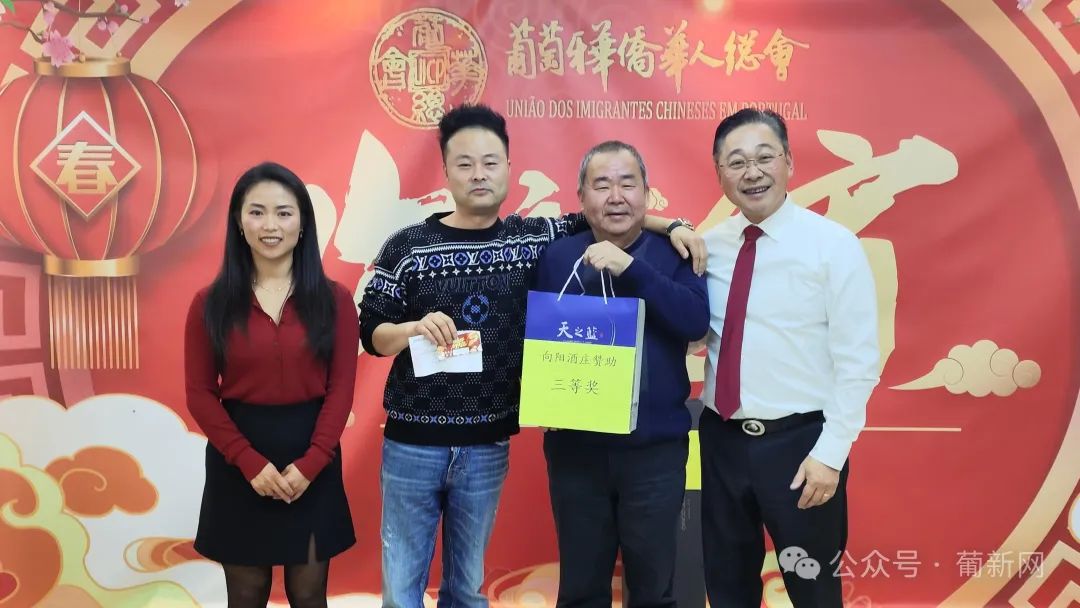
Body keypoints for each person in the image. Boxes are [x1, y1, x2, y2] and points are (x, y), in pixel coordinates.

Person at [359, 104, 704, 608]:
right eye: (465, 164)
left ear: (508, 168)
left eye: (490, 162)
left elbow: (616, 223)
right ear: (446, 170)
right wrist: (412, 329)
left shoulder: (539, 241)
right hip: (424, 440)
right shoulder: (418, 246)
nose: (479, 174)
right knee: (406, 587)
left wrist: (672, 226)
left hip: (499, 443)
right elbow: (370, 331)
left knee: (469, 587)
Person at [699, 108, 880, 607]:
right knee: (727, 587)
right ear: (720, 173)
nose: (752, 172)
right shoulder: (707, 248)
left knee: (814, 591)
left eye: (765, 157)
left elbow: (859, 361)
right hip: (721, 442)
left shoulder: (833, 246)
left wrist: (830, 454)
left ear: (789, 162)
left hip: (801, 447)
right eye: (736, 162)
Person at [533, 140, 709, 608]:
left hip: (655, 453)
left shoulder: (677, 251)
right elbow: (537, 337)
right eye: (602, 185)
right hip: (576, 453)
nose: (616, 196)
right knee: (581, 591)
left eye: (628, 184)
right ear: (581, 197)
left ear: (647, 194)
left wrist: (631, 269)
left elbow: (694, 323)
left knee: (653, 590)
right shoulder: (557, 257)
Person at [185, 162, 359, 608]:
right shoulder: (210, 304)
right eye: (257, 212)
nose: (270, 226)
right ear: (239, 222)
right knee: (246, 595)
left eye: (283, 213)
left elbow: (341, 389)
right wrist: (248, 462)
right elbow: (200, 394)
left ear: (302, 224)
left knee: (308, 594)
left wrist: (312, 463)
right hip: (238, 461)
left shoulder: (335, 301)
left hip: (313, 456)